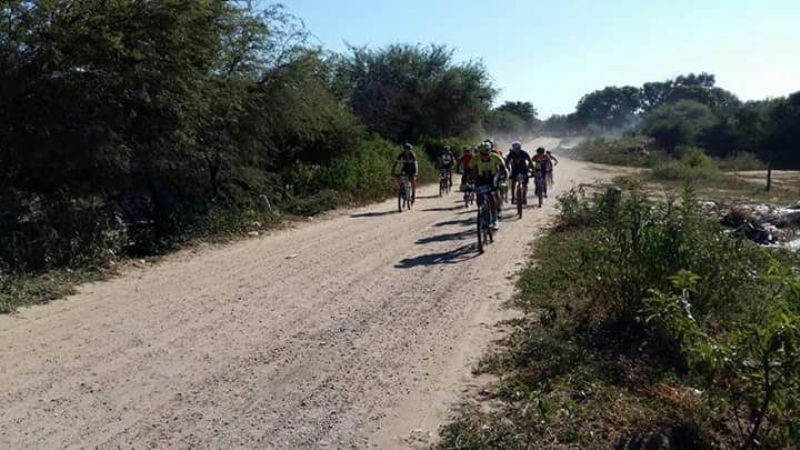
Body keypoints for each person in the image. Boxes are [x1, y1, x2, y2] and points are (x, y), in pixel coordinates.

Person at [471, 141, 508, 230]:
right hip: (480, 178)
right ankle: (482, 213)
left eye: (486, 153)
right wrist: (472, 180)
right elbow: (473, 171)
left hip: (492, 178)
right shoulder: (475, 159)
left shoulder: (496, 157)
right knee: (479, 198)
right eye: (482, 153)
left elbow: (503, 169)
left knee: (491, 196)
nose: (484, 155)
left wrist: (503, 179)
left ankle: (495, 219)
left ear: (490, 151)